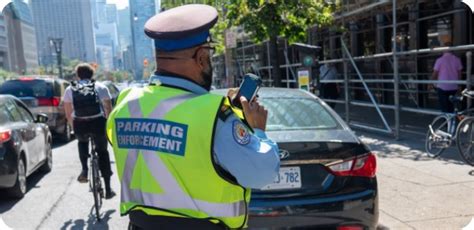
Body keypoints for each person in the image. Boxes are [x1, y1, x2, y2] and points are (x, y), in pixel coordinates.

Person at [106, 4, 280, 230]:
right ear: (200, 57)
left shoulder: (126, 103)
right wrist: (258, 130)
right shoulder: (214, 116)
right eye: (209, 54)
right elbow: (262, 173)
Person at [64, 63, 116, 199]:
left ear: (78, 75)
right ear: (92, 74)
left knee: (82, 143)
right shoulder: (101, 87)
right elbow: (108, 109)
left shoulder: (70, 89)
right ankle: (109, 189)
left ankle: (85, 170)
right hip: (97, 123)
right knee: (103, 152)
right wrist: (107, 124)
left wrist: (73, 125)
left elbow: (68, 112)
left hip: (80, 124)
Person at [431, 42, 463, 113]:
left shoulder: (439, 60)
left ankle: (446, 123)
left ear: (443, 50)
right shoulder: (457, 59)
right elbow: (459, 74)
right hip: (454, 87)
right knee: (451, 107)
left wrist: (431, 82)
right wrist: (459, 86)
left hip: (442, 87)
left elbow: (435, 73)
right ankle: (452, 122)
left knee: (444, 108)